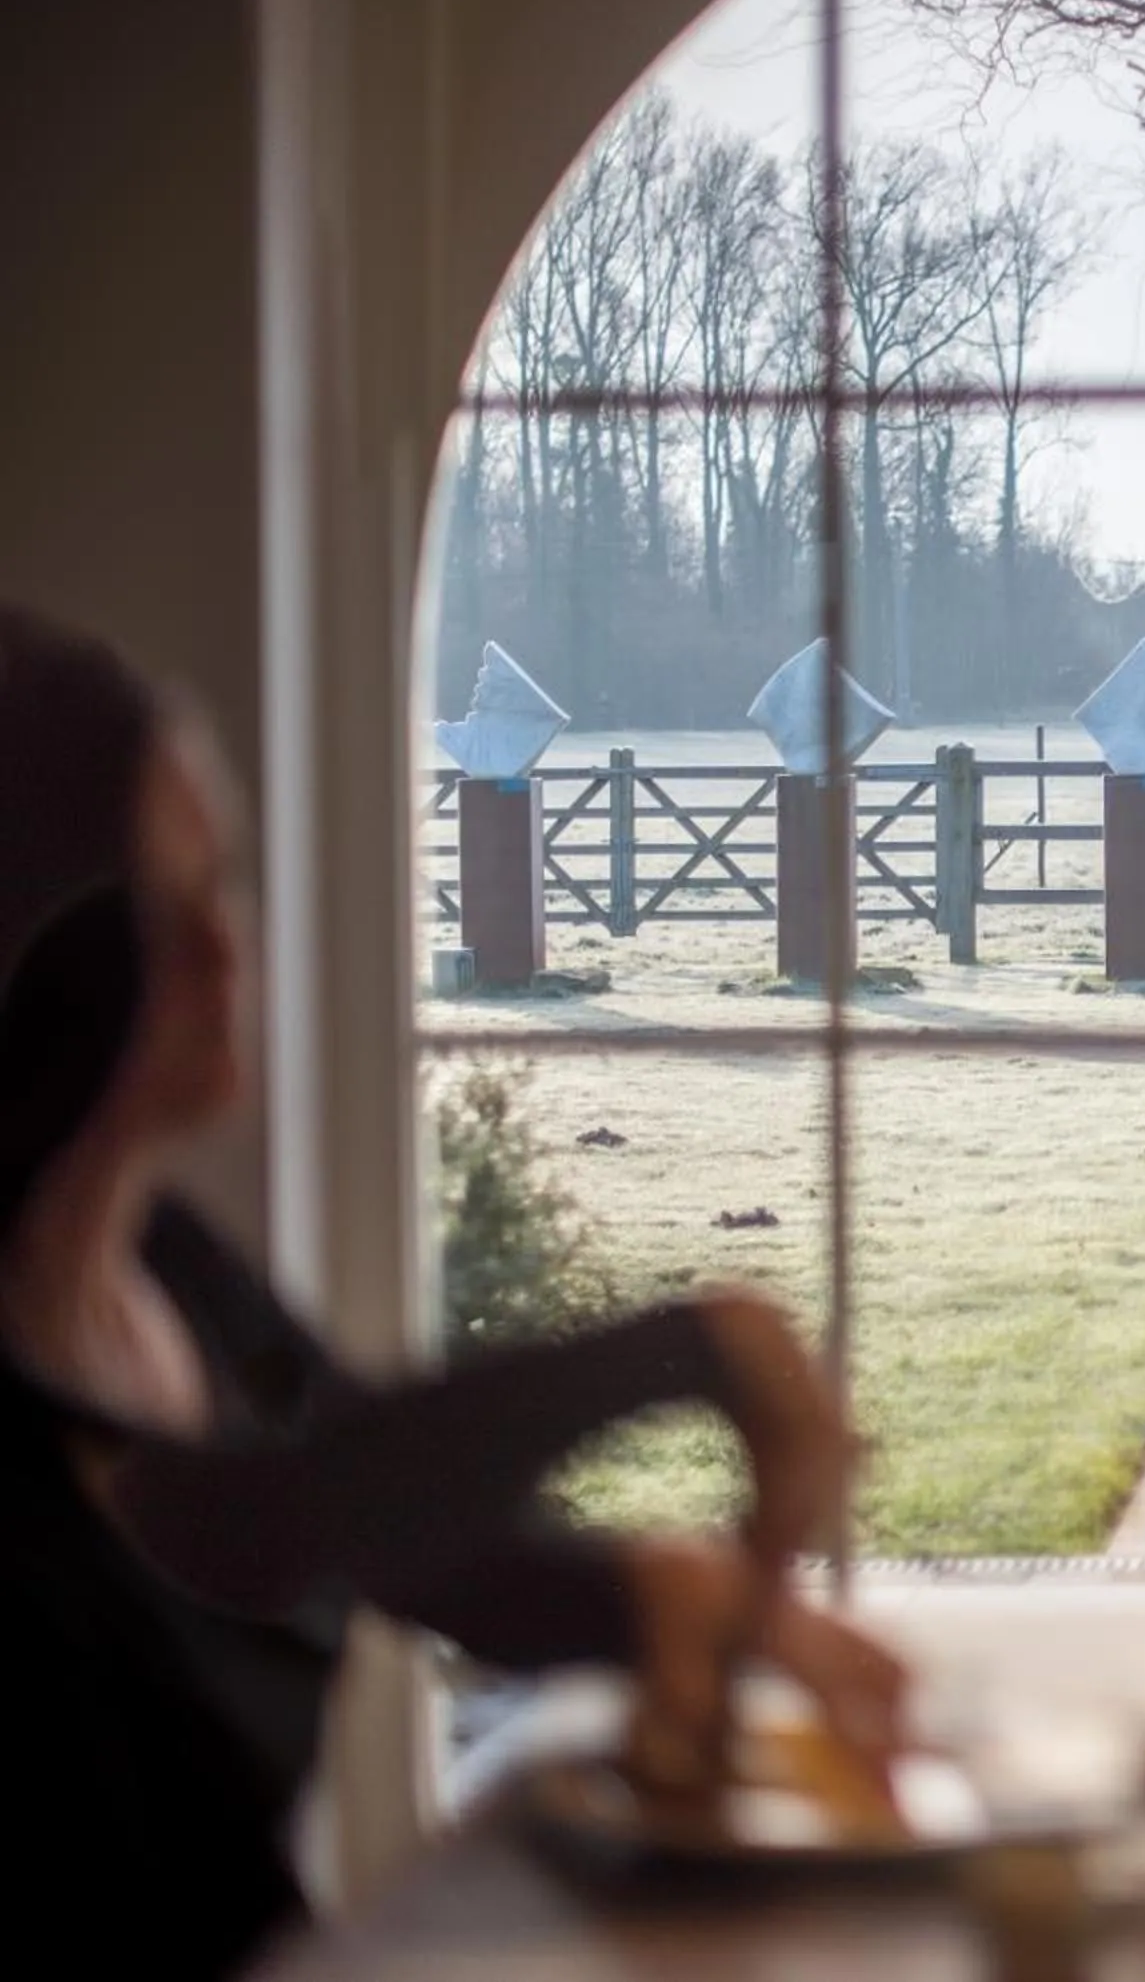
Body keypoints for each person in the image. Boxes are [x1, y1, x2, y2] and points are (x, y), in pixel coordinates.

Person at [0, 607, 907, 1978]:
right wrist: (680, 1350)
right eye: (154, 912)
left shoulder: (161, 1270)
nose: (226, 955)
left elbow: (394, 1523)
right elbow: (259, 1524)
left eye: (220, 885)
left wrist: (665, 1596)